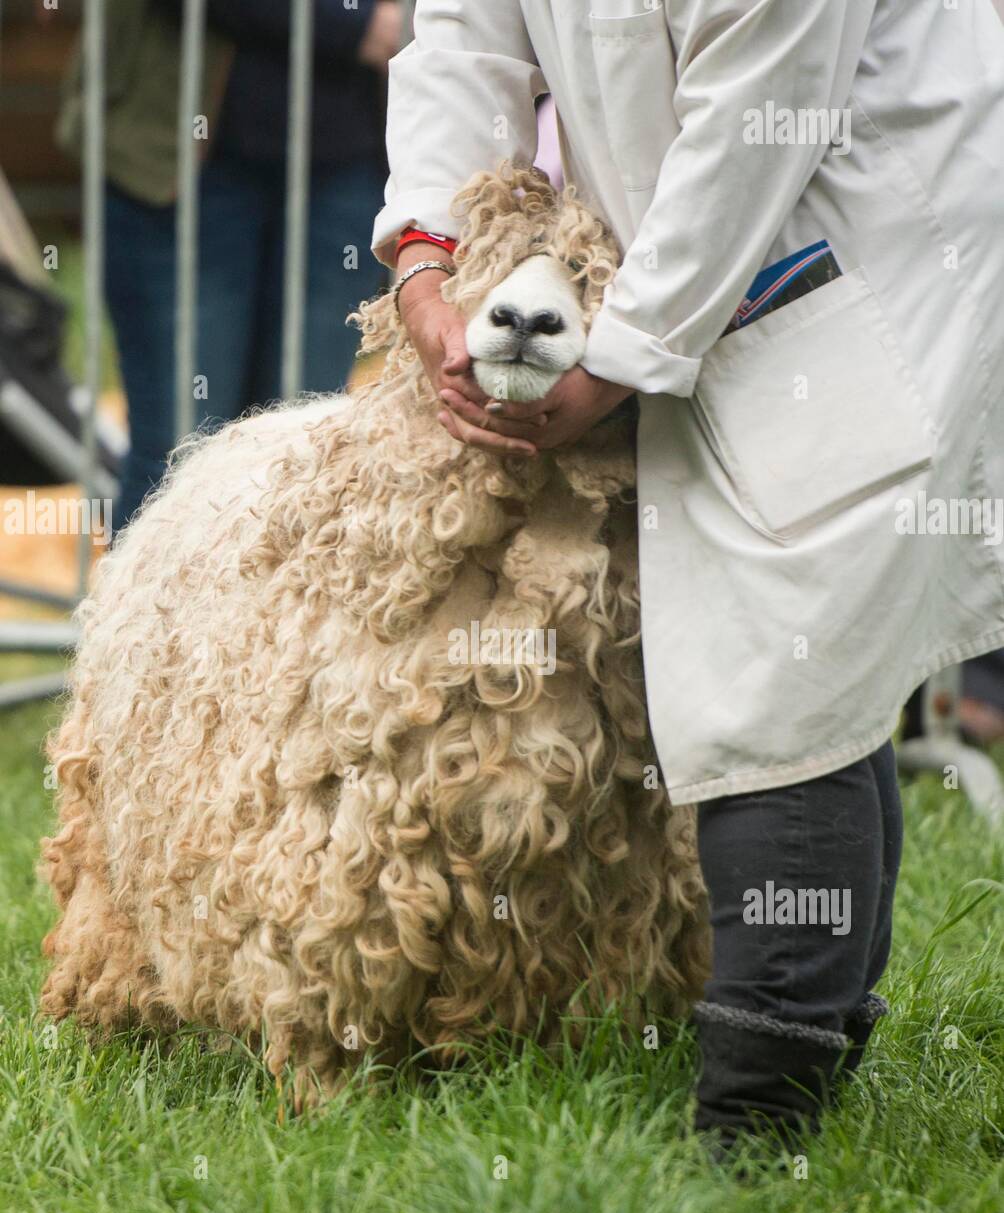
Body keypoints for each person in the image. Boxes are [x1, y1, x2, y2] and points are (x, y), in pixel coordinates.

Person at [371, 0, 1004, 1151]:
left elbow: (757, 121)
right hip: (714, 226)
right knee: (811, 654)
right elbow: (462, 37)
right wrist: (429, 260)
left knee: (782, 664)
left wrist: (614, 360)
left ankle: (754, 1123)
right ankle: (814, 1037)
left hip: (870, 220)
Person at [57, 0, 400, 530]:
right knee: (180, 454)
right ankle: (146, 613)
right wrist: (354, 24)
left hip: (347, 166)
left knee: (303, 447)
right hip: (176, 164)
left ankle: (281, 615)